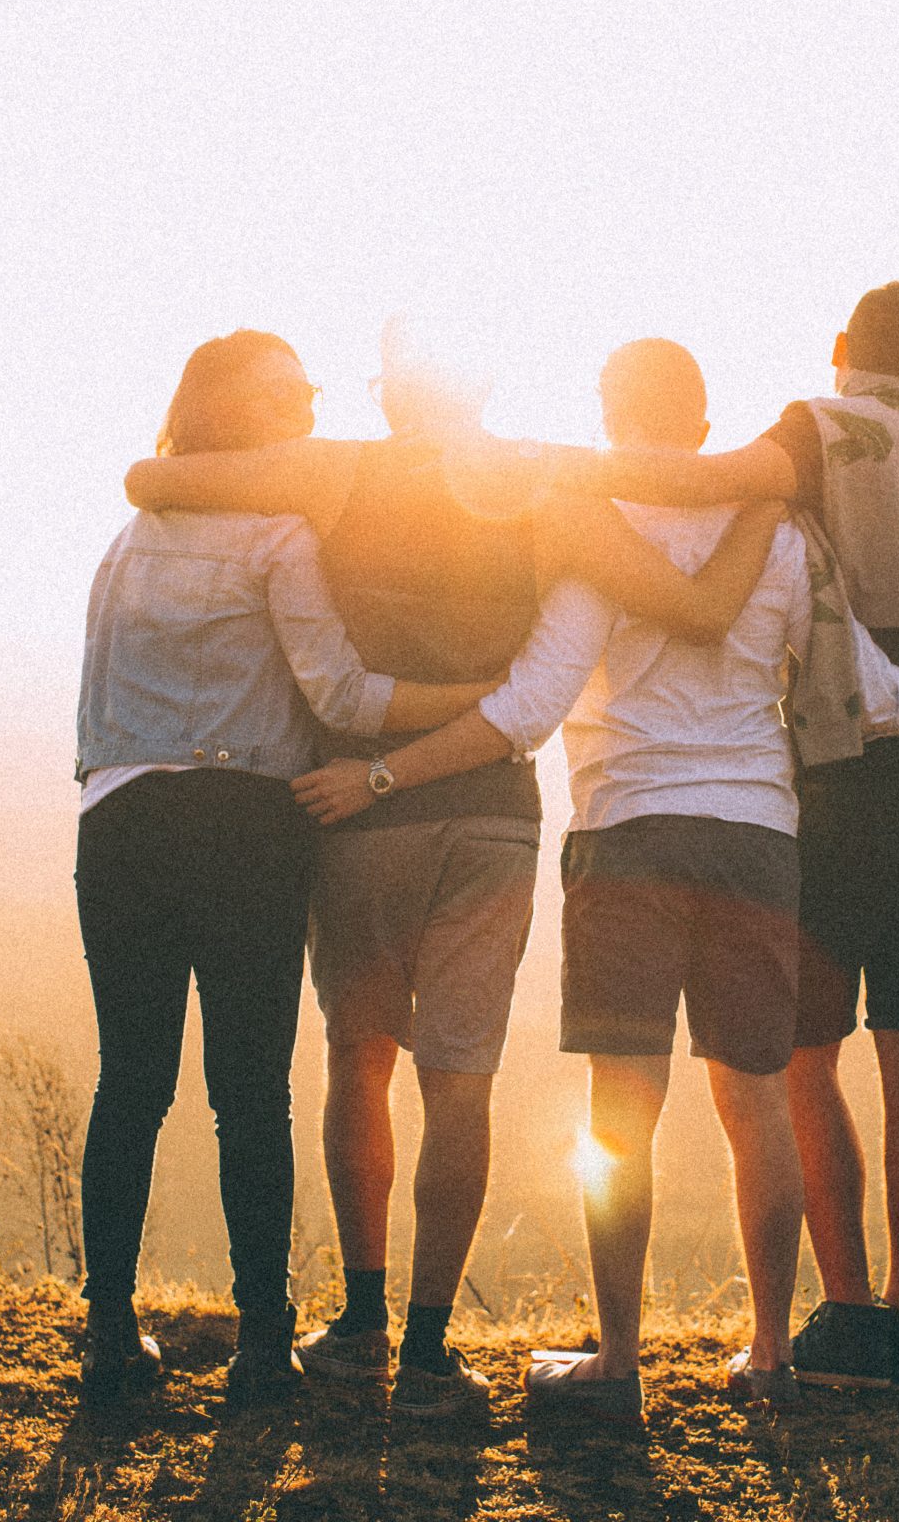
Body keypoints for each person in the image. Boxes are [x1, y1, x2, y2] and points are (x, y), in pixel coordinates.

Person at [292, 339, 899, 1419]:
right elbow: (872, 692)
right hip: (756, 843)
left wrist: (383, 772)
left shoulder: (596, 530)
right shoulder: (781, 535)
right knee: (756, 1105)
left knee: (620, 1114)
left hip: (627, 835)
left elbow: (529, 707)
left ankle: (619, 1360)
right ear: (702, 426)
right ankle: (772, 1353)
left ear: (607, 415)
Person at [121, 319, 781, 1418]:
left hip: (357, 806)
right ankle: (430, 1347)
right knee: (459, 1079)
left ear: (389, 397)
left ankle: (362, 1318)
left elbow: (158, 479)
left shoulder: (334, 474)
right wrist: (766, 495)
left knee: (359, 1055)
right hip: (491, 816)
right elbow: (688, 601)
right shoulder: (543, 486)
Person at [553, 284, 899, 1390]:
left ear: (839, 349)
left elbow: (709, 485)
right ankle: (897, 1328)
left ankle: (841, 1313)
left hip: (852, 769)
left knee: (797, 1057)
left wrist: (545, 469)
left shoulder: (823, 426)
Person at [71, 329, 506, 1406]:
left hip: (118, 820)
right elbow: (344, 699)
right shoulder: (277, 536)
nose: (310, 409)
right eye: (292, 394)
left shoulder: (128, 539)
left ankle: (108, 1332)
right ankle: (264, 1341)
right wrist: (481, 703)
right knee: (249, 1093)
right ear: (245, 415)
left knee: (130, 1082)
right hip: (245, 827)